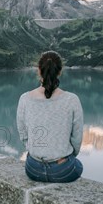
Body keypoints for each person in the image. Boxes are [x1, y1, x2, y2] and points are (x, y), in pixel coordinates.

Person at [16, 51, 84, 183]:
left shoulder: (24, 98)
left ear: (38, 71)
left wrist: (35, 150)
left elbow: (23, 133)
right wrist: (67, 156)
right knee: (78, 165)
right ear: (60, 71)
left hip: (33, 169)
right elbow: (77, 138)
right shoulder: (72, 100)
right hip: (62, 169)